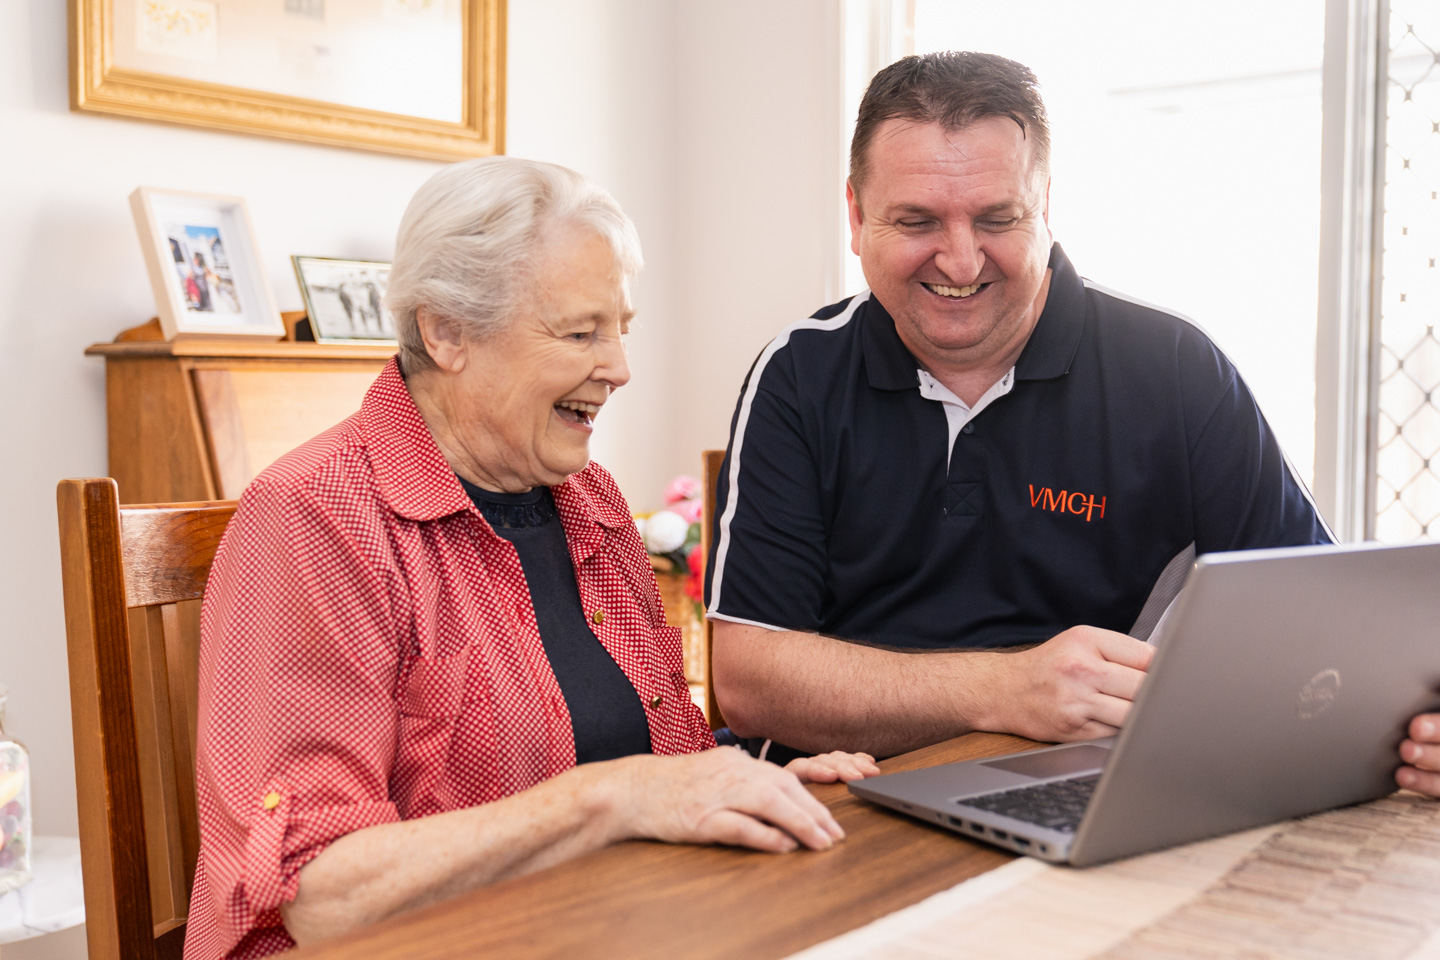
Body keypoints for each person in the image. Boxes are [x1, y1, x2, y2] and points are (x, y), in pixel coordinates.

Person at [185, 157, 879, 960]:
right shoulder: (317, 516)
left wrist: (749, 781)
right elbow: (319, 892)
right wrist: (609, 800)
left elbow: (653, 757)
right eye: (581, 333)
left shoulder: (591, 501)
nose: (619, 368)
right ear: (446, 331)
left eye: (621, 329)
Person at [705, 51, 1440, 799]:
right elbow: (751, 681)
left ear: (1045, 206)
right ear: (858, 216)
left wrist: (1416, 722)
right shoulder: (799, 373)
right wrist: (1006, 689)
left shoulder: (1175, 369)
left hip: (1101, 791)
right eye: (917, 220)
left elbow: (1319, 623)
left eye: (997, 218)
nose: (960, 260)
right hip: (840, 801)